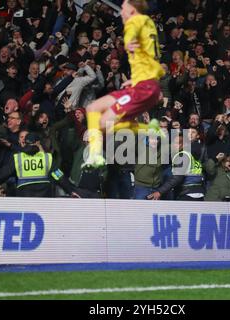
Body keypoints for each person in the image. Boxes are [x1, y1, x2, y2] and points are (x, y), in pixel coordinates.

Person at [83, 0, 165, 168]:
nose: (121, 12)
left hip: (143, 89)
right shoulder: (149, 24)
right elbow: (157, 66)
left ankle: (147, 129)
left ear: (132, 10)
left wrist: (129, 41)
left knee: (103, 124)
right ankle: (95, 154)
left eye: (123, 9)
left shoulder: (134, 22)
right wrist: (136, 79)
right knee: (92, 108)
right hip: (143, 86)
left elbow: (132, 33)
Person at [0, 133, 54, 197]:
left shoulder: (19, 158)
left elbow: (2, 174)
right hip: (44, 199)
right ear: (38, 143)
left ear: (25, 142)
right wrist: (65, 187)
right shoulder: (46, 158)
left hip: (25, 197)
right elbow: (59, 176)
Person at [147, 133, 205, 201]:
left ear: (184, 145)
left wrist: (160, 192)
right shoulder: (191, 155)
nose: (174, 145)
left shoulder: (182, 156)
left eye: (177, 143)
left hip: (187, 194)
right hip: (199, 193)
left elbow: (177, 178)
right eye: (173, 143)